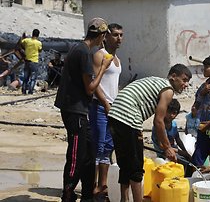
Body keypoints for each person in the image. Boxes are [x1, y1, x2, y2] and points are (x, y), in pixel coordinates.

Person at [107, 64, 192, 202]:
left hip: (115, 115)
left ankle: (124, 200)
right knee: (136, 168)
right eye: (184, 80)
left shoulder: (157, 82)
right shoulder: (168, 90)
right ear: (173, 76)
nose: (186, 84)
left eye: (188, 81)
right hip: (128, 117)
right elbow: (159, 121)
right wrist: (167, 147)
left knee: (125, 163)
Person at [54, 17, 113, 202]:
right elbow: (90, 88)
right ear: (101, 36)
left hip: (79, 110)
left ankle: (88, 194)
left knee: (89, 153)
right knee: (76, 155)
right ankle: (68, 193)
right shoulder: (85, 53)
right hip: (75, 110)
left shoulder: (78, 49)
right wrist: (103, 68)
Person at [88, 23, 123, 198]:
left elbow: (113, 86)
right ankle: (92, 186)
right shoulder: (99, 55)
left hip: (113, 108)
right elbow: (94, 85)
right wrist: (106, 104)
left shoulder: (117, 60)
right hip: (100, 107)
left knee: (108, 148)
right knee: (98, 146)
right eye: (115, 35)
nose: (119, 39)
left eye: (121, 35)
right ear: (106, 36)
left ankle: (103, 185)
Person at [21, 29, 42, 94]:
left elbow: (21, 43)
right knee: (33, 78)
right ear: (38, 35)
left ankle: (24, 90)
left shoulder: (27, 40)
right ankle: (30, 91)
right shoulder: (38, 43)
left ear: (32, 33)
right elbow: (40, 50)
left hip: (27, 61)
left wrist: (23, 36)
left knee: (26, 77)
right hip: (34, 61)